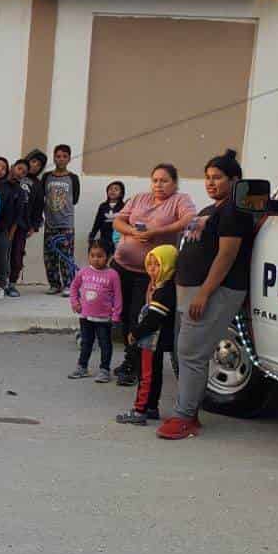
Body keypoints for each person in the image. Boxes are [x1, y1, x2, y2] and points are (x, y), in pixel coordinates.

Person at [158, 149, 256, 442]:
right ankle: (188, 411)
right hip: (191, 291)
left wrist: (204, 293)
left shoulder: (234, 212)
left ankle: (185, 417)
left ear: (235, 180)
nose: (211, 183)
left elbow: (226, 256)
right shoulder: (212, 209)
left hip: (216, 291)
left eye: (218, 178)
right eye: (207, 178)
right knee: (186, 351)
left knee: (191, 352)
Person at [111, 164, 198, 385]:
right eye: (155, 180)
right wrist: (132, 231)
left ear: (175, 183)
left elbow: (189, 220)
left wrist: (156, 232)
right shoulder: (140, 198)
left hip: (148, 273)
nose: (158, 185)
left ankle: (133, 366)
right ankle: (130, 358)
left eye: (164, 180)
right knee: (121, 315)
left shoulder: (180, 200)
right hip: (122, 265)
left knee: (138, 318)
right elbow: (118, 221)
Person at [116, 245, 177, 426]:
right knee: (154, 374)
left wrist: (135, 333)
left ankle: (139, 410)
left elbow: (152, 320)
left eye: (157, 265)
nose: (151, 269)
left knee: (146, 376)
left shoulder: (164, 291)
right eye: (149, 265)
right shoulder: (161, 286)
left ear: (167, 266)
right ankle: (151, 407)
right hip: (152, 340)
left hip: (151, 341)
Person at [67, 239, 122, 381]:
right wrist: (75, 302)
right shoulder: (84, 272)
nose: (96, 259)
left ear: (108, 257)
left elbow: (117, 296)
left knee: (105, 344)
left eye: (100, 256)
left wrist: (116, 314)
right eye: (92, 255)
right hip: (85, 317)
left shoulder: (112, 275)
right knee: (86, 342)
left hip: (104, 318)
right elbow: (73, 287)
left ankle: (104, 370)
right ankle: (82, 367)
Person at [42, 145, 81, 294]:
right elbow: (42, 198)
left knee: (66, 255)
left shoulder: (73, 178)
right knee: (50, 255)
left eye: (64, 156)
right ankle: (54, 284)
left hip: (66, 224)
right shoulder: (46, 177)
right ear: (54, 157)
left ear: (69, 158)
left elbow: (75, 199)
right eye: (58, 156)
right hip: (50, 223)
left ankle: (68, 285)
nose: (61, 159)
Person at [0, 157, 25, 301]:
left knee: (1, 257)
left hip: (2, 229)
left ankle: (1, 286)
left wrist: (9, 233)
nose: (0, 170)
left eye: (3, 168)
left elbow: (13, 213)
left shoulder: (8, 188)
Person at [7, 158, 33, 297]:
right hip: (3, 227)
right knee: (0, 256)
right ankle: (1, 283)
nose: (20, 172)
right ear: (12, 167)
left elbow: (26, 209)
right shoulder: (1, 185)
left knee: (17, 256)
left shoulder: (22, 190)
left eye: (24, 172)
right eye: (19, 168)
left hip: (20, 227)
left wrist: (31, 226)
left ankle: (12, 284)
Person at [90, 180, 127, 258]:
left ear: (121, 193)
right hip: (104, 237)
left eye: (116, 189)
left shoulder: (124, 206)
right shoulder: (103, 206)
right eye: (110, 189)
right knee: (104, 256)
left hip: (118, 239)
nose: (112, 191)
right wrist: (92, 234)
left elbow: (126, 222)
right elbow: (97, 221)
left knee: (116, 257)